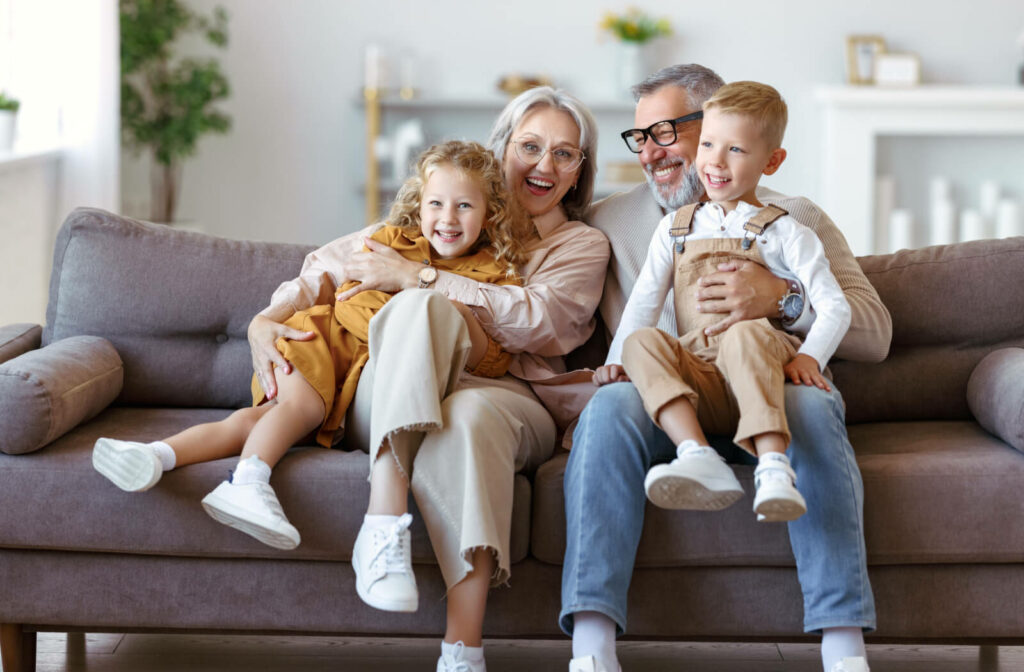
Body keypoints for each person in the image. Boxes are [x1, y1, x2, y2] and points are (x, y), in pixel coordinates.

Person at [248, 86, 609, 672]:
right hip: (392, 388)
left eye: (565, 154)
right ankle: (383, 518)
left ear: (578, 173)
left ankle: (462, 649)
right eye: (531, 146)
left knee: (462, 402)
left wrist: (419, 277)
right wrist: (265, 320)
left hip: (509, 394)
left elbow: (539, 324)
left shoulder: (580, 245)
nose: (545, 165)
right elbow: (329, 263)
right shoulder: (445, 212)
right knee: (418, 311)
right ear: (502, 150)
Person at [562, 65, 890, 672]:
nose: (652, 153)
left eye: (665, 131)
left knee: (815, 402)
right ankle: (592, 647)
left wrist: (782, 299)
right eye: (639, 138)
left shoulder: (794, 219)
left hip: (766, 383)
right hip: (672, 402)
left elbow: (873, 332)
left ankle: (843, 644)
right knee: (608, 404)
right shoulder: (608, 225)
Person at [92, 139, 530, 560]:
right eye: (436, 203)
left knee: (255, 420)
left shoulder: (491, 274)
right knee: (297, 410)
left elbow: (492, 352)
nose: (448, 217)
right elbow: (335, 285)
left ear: (490, 215)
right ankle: (248, 479)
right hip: (317, 340)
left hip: (350, 371)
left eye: (464, 205)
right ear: (420, 204)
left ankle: (154, 455)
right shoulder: (391, 242)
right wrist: (266, 319)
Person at [600, 81, 851, 525]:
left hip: (761, 365)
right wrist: (619, 360)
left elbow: (837, 307)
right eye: (710, 144)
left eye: (735, 149)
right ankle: (696, 453)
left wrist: (810, 356)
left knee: (747, 334)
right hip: (703, 373)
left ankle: (774, 466)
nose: (715, 161)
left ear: (771, 161)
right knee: (642, 341)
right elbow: (642, 304)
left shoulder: (787, 232)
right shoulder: (676, 229)